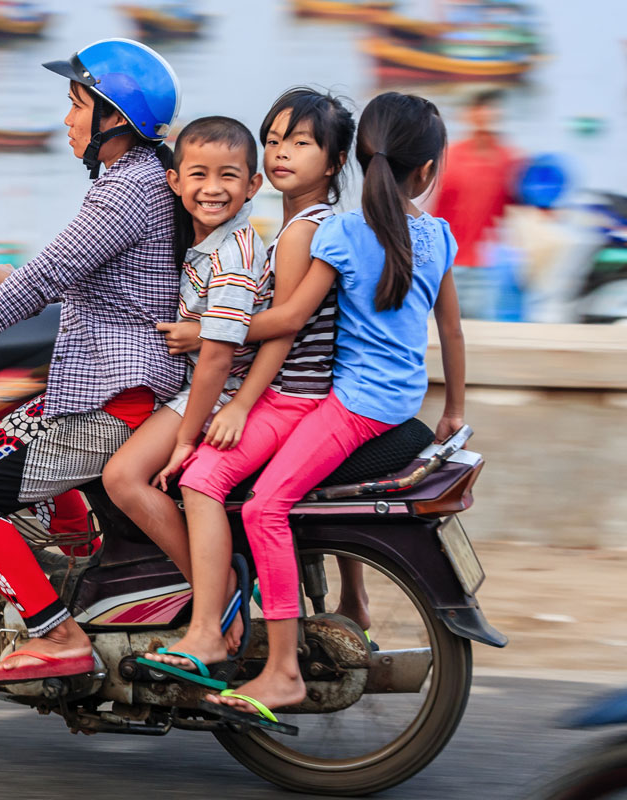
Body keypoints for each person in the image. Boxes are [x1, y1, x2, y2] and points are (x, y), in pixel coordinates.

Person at [0, 39, 184, 685]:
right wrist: (3, 280)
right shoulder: (139, 179)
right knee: (11, 434)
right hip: (127, 386)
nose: (66, 119)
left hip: (113, 397)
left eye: (75, 104)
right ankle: (79, 573)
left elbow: (50, 274)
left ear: (115, 118)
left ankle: (56, 634)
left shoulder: (126, 191)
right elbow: (71, 272)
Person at [201, 91, 466, 727]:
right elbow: (451, 333)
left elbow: (291, 319)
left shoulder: (340, 231)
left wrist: (206, 332)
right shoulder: (437, 234)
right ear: (425, 170)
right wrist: (453, 408)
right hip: (400, 400)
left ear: (355, 158)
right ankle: (354, 597)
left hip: (351, 404)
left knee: (265, 505)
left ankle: (285, 669)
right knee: (317, 484)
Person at [132, 88, 356, 673]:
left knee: (192, 480)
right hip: (284, 388)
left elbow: (283, 326)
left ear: (333, 161)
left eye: (301, 144)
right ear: (177, 181)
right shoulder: (289, 228)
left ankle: (212, 616)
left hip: (282, 394)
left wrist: (212, 352)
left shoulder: (301, 231)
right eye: (276, 140)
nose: (283, 153)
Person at [101, 116, 267, 598]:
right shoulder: (196, 240)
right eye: (198, 174)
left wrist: (184, 441)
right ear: (174, 180)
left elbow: (216, 360)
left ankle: (214, 591)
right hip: (196, 385)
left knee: (124, 477)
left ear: (252, 184)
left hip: (215, 392)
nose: (212, 188)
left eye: (228, 176)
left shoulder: (232, 258)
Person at [431, 89, 518, 320]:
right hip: (448, 262)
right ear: (468, 115)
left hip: (486, 266)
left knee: (478, 336)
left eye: (491, 111)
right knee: (441, 334)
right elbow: (430, 209)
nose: (485, 116)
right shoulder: (448, 157)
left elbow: (526, 201)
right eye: (479, 111)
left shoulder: (509, 160)